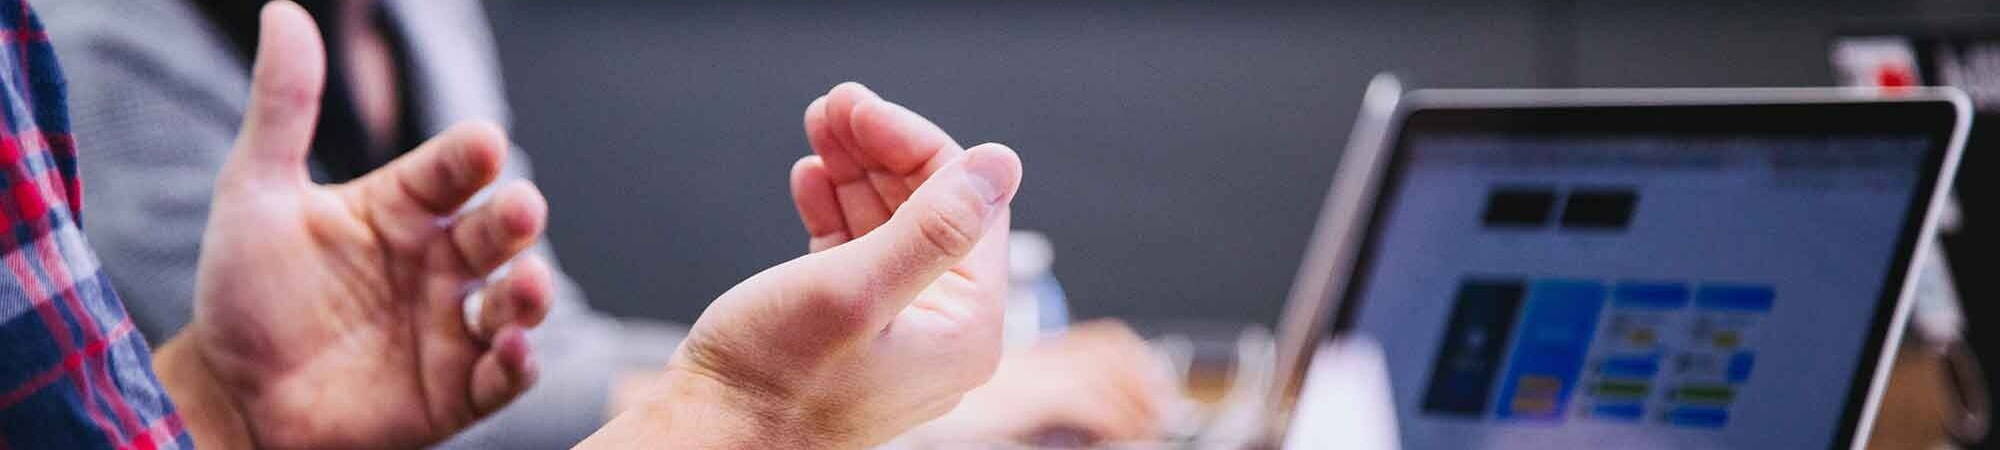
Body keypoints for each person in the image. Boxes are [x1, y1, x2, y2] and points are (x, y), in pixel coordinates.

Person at [40, 0, 1170, 446]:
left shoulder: (418, 17)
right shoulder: (92, 45)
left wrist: (227, 412)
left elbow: (529, 356)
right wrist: (767, 406)